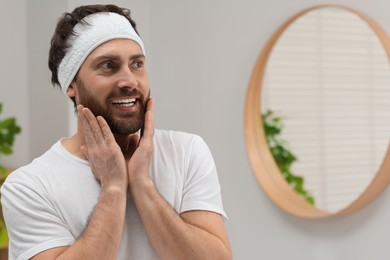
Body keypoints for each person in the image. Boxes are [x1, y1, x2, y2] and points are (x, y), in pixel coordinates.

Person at [1, 4, 231, 260]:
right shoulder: (29, 186)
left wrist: (142, 185)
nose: (130, 81)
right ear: (72, 84)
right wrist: (113, 188)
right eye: (108, 65)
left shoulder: (186, 152)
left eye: (137, 64)